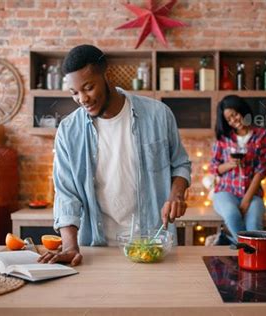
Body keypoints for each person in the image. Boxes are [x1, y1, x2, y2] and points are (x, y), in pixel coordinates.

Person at [38, 44, 191, 266]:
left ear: (107, 76)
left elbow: (180, 164)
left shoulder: (158, 115)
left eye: (88, 88)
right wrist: (70, 247)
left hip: (153, 245)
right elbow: (66, 194)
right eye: (74, 93)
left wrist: (176, 194)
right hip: (97, 250)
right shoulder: (68, 131)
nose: (83, 99)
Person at [209, 95, 266, 244]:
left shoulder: (263, 136)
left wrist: (246, 200)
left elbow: (261, 171)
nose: (234, 121)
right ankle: (249, 253)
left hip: (252, 193)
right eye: (229, 119)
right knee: (232, 215)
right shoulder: (224, 138)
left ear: (243, 110)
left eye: (235, 114)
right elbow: (213, 168)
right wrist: (229, 164)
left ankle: (232, 243)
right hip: (225, 191)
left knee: (254, 225)